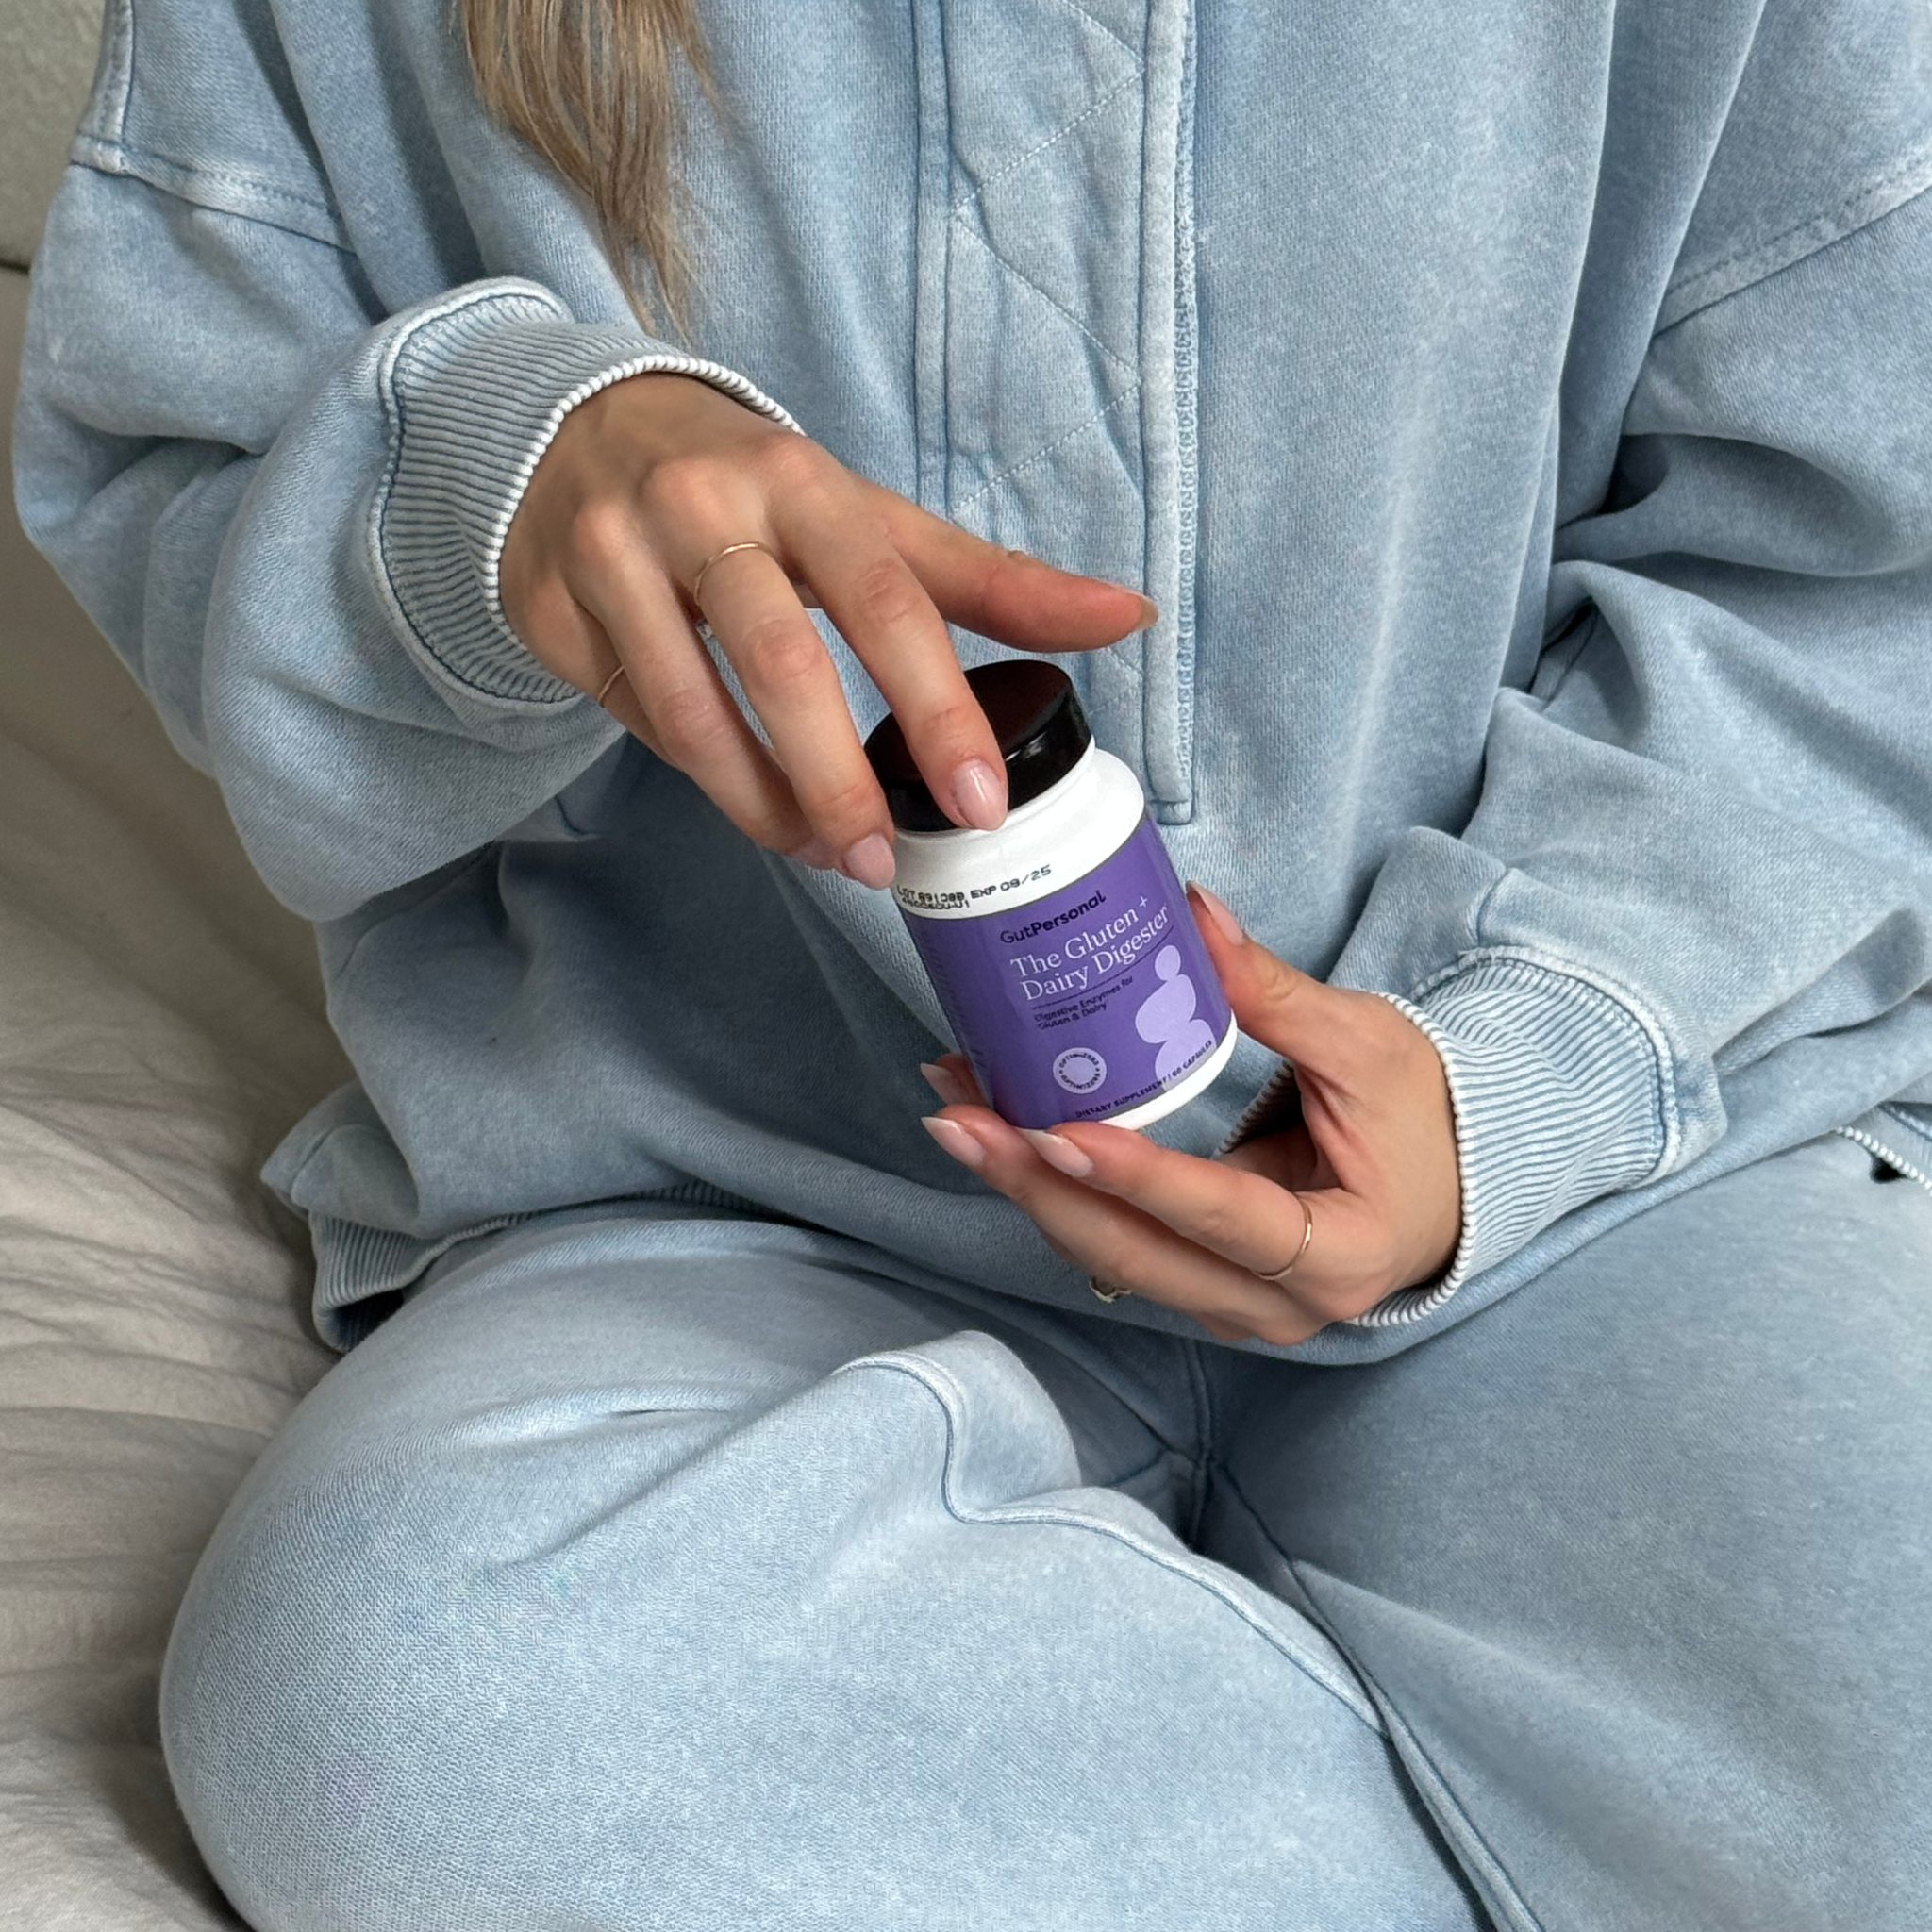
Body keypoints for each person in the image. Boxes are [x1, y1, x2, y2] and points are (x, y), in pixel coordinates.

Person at [14, 0, 1932, 1924]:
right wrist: (495, 485)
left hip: (1620, 1194)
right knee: (397, 1705)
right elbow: (174, 465)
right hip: (732, 1195)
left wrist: (1530, 1062)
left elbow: (1854, 565)